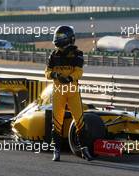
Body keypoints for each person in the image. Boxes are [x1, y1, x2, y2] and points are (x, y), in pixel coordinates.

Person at [45, 25, 93, 162]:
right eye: (57, 36)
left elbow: (79, 72)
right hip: (58, 91)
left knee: (79, 120)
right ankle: (57, 150)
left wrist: (70, 78)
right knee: (57, 122)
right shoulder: (53, 55)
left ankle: (84, 150)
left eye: (60, 37)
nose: (57, 39)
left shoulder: (78, 54)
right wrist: (55, 74)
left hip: (72, 90)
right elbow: (46, 72)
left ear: (69, 38)